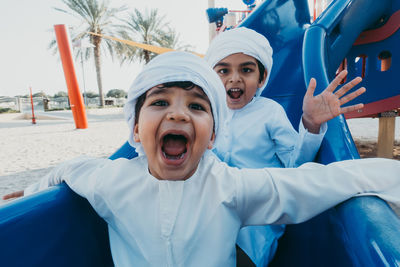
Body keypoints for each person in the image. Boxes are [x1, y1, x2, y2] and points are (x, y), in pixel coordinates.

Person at [5, 51, 400, 267]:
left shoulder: (230, 186)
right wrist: (31, 192)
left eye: (196, 106)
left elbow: (320, 182)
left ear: (212, 136)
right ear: (134, 130)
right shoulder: (110, 180)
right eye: (160, 103)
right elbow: (68, 170)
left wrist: (391, 178)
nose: (177, 114)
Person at [204, 27, 366, 266]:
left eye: (246, 70)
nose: (234, 78)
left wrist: (310, 124)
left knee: (240, 251)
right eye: (223, 70)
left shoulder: (269, 112)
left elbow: (294, 163)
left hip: (258, 210)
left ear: (261, 78)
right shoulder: (208, 113)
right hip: (215, 205)